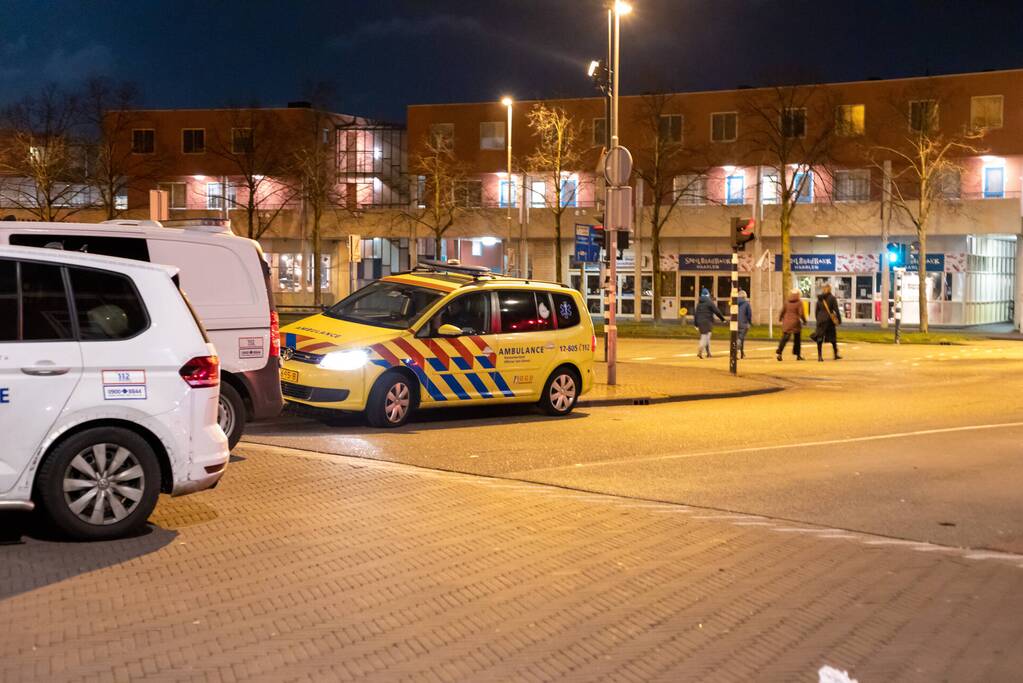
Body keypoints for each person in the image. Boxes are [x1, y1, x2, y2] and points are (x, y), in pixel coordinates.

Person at [813, 282, 842, 361]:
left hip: (820, 320)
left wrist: (818, 319)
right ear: (830, 289)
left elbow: (816, 311)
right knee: (832, 337)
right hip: (829, 320)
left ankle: (819, 356)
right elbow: (836, 310)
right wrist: (839, 319)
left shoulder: (820, 298)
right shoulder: (832, 298)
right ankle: (835, 354)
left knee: (819, 337)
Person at [694, 287, 725, 359]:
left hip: (700, 322)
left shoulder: (699, 304)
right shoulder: (710, 302)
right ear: (708, 294)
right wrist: (722, 319)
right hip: (708, 322)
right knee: (705, 337)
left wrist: (696, 324)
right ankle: (700, 350)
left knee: (706, 337)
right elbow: (716, 311)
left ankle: (708, 353)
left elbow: (696, 314)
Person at [776, 289, 806, 361]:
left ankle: (779, 352)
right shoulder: (799, 302)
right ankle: (798, 355)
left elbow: (783, 311)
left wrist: (780, 318)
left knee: (785, 338)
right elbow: (801, 313)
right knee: (797, 339)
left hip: (786, 322)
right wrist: (804, 321)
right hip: (795, 323)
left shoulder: (787, 302)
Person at [736, 289, 752, 358]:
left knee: (739, 338)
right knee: (740, 338)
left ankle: (742, 353)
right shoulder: (746, 304)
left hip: (735, 323)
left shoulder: (735, 303)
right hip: (743, 323)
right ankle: (736, 351)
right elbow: (749, 314)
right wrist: (749, 322)